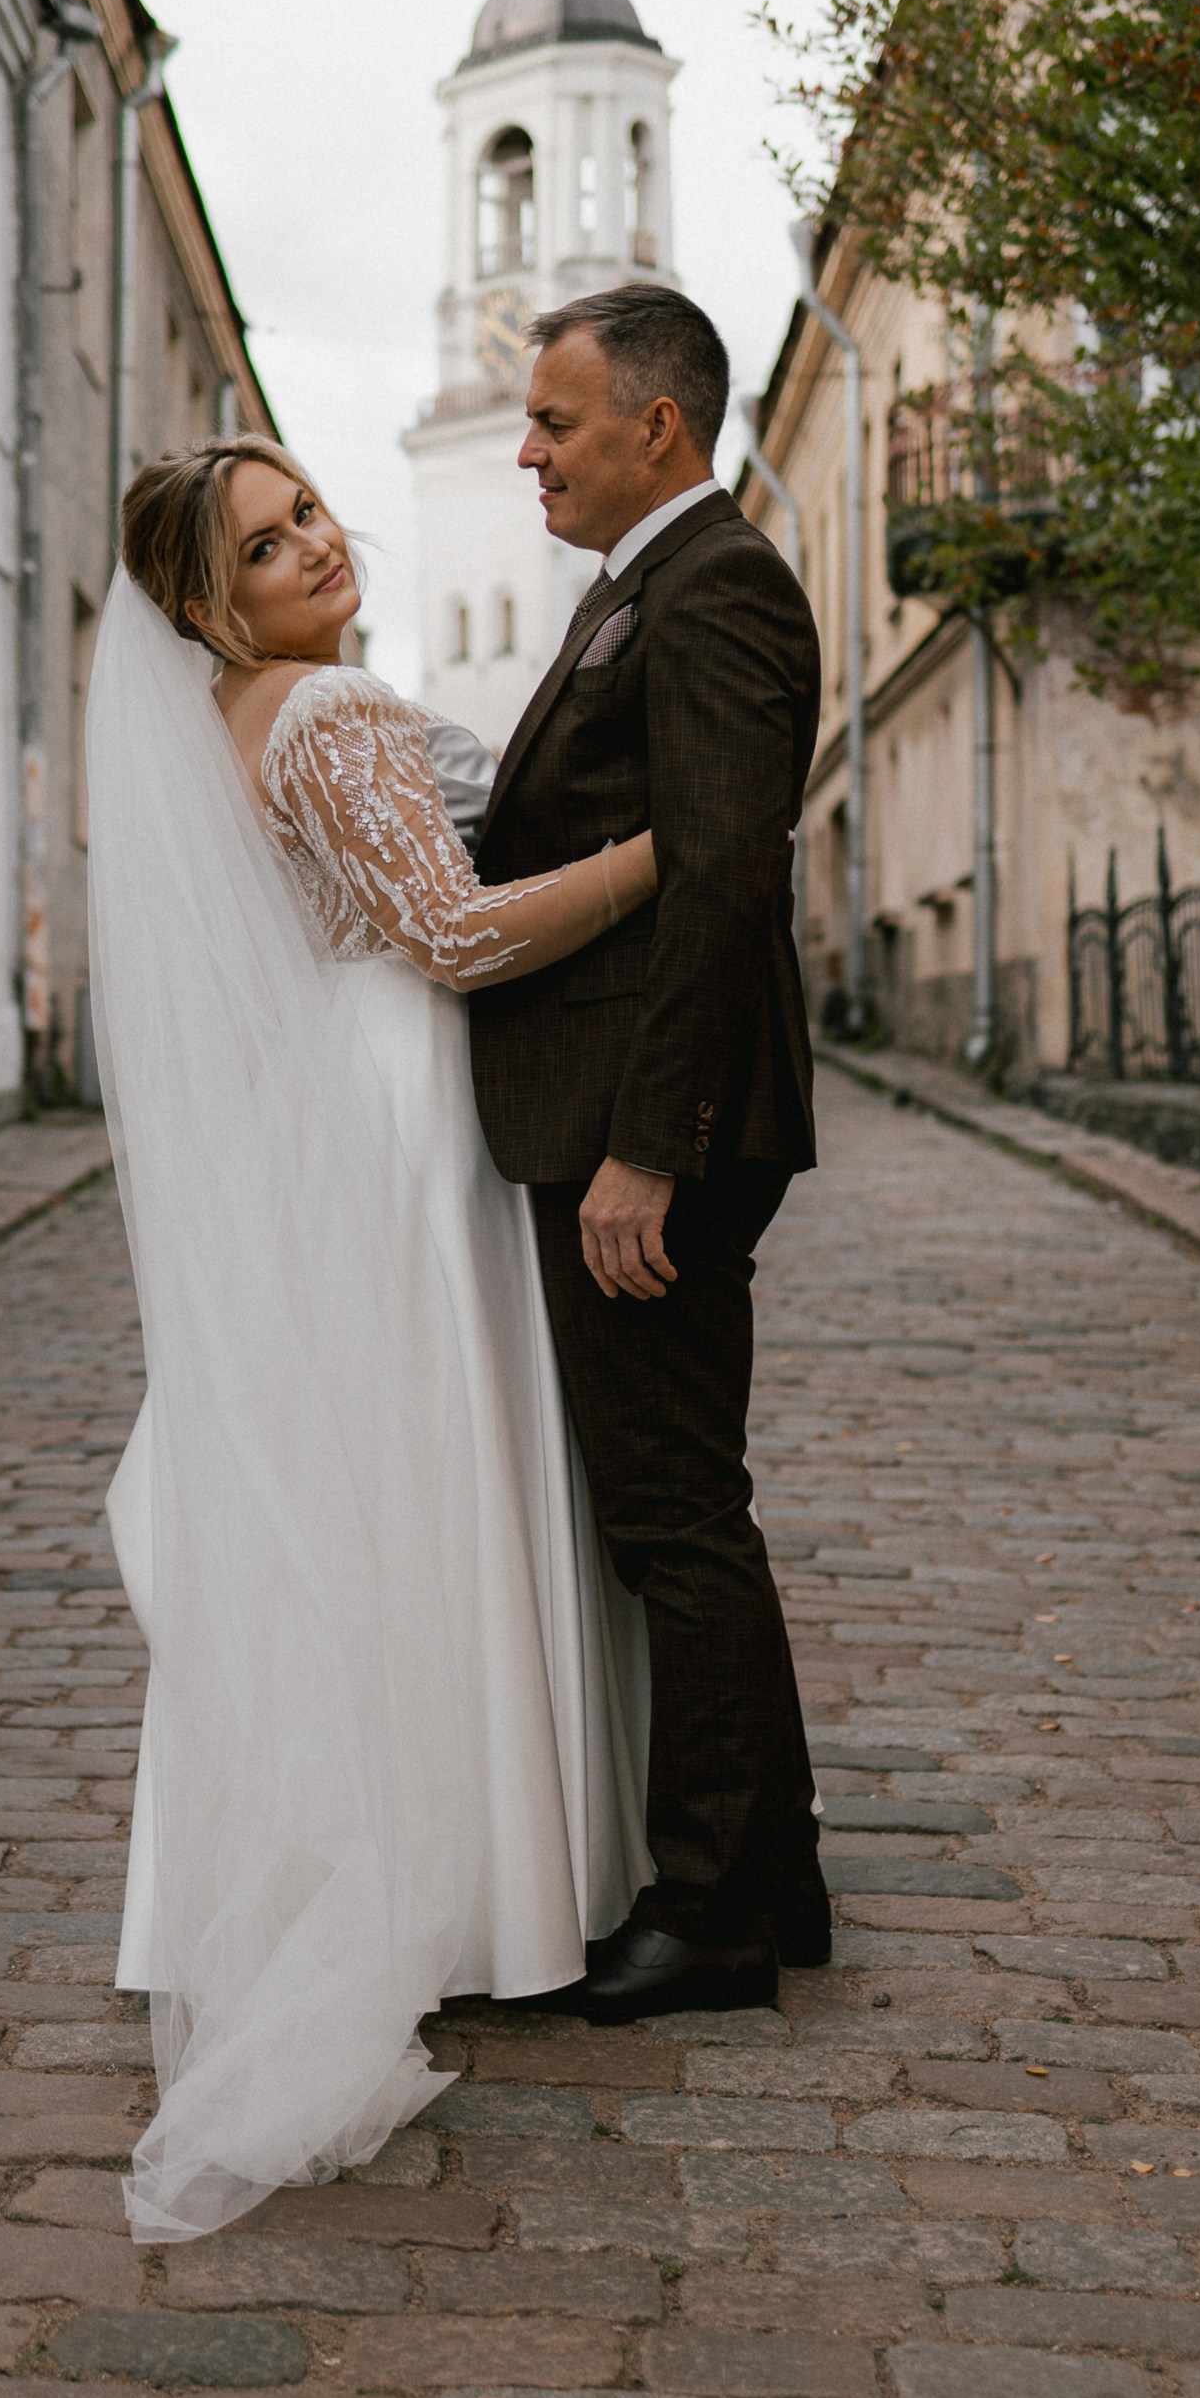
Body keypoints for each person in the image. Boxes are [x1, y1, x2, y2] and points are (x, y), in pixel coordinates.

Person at [89, 437, 657, 2242]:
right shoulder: (329, 717)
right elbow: (454, 934)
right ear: (206, 604)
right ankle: (477, 1887)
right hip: (404, 1095)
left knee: (348, 1491)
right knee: (435, 1469)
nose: (316, 547)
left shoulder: (224, 728)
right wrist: (663, 857)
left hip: (325, 1095)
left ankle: (275, 1882)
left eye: (310, 511)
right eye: (267, 546)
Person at [471, 284, 827, 2024]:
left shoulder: (719, 587)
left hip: (652, 1131)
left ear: (655, 429)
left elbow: (720, 880)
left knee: (675, 1518)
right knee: (680, 1510)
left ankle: (715, 1915)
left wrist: (651, 1153)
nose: (527, 450)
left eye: (553, 421)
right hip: (624, 1117)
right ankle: (778, 1877)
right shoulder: (644, 588)